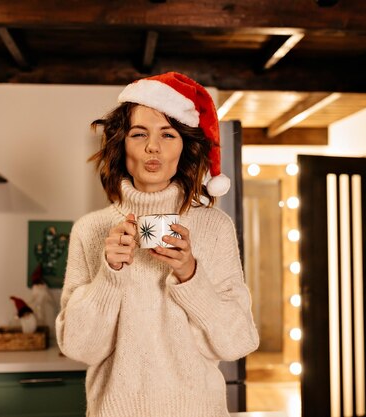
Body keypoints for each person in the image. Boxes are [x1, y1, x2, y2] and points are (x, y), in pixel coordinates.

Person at [55, 72, 259, 417]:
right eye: (139, 134)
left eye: (168, 134)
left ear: (185, 147)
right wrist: (111, 275)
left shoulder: (215, 227)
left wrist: (190, 274)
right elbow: (78, 347)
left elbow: (239, 343)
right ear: (122, 145)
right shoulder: (91, 231)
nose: (153, 147)